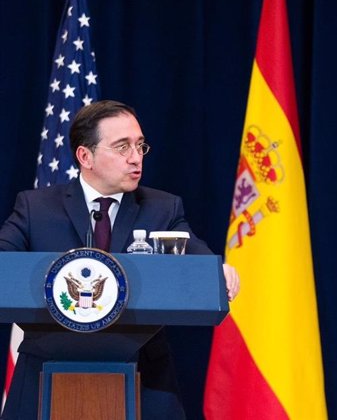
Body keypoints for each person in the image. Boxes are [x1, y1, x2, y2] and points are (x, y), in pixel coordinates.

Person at [0, 100, 240, 419]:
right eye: (122, 146)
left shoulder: (162, 209)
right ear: (85, 156)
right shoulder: (35, 208)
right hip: (44, 374)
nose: (135, 158)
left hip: (144, 377)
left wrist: (217, 271)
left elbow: (195, 259)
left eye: (140, 146)